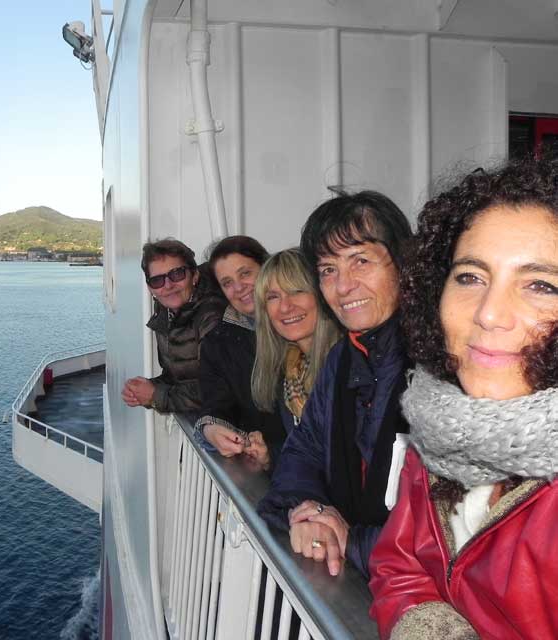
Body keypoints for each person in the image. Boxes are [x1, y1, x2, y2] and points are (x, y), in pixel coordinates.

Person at [369, 157, 558, 639]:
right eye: (470, 276)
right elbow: (399, 565)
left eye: (540, 285)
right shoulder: (441, 422)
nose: (489, 314)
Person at [257, 190, 412, 578]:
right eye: (328, 270)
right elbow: (305, 449)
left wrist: (350, 541)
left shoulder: (440, 362)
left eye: (360, 261)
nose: (343, 286)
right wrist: (308, 509)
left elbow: (458, 532)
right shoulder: (343, 358)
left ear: (404, 265)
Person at [197, 241, 339, 471]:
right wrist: (210, 428)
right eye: (227, 283)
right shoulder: (291, 362)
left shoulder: (343, 363)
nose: (285, 307)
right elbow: (304, 450)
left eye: (245, 273)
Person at [122, 238, 225, 413]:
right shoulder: (165, 313)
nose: (168, 285)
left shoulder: (212, 315)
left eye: (177, 274)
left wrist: (156, 396)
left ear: (194, 276)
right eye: (157, 281)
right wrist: (144, 389)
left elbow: (219, 388)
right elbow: (177, 378)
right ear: (150, 288)